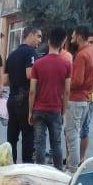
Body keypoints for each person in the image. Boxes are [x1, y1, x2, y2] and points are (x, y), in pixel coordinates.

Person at [29, 26, 71, 170]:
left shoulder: (38, 63)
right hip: (55, 109)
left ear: (48, 41)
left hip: (38, 109)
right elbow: (67, 91)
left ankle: (40, 174)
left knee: (39, 144)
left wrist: (30, 112)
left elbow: (32, 91)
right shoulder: (67, 64)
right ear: (63, 42)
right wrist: (63, 112)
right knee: (56, 144)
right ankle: (58, 172)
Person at [64, 25, 93, 172]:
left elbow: (77, 81)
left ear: (79, 36)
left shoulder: (81, 55)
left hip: (75, 99)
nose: (72, 37)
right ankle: (73, 165)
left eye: (73, 35)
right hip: (86, 98)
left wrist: (64, 85)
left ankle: (72, 169)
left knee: (72, 135)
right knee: (76, 133)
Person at [4, 24, 42, 162]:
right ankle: (26, 165)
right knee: (28, 135)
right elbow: (29, 74)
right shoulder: (31, 53)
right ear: (30, 35)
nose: (40, 40)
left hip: (12, 99)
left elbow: (5, 81)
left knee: (12, 136)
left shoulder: (11, 54)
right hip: (25, 101)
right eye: (38, 36)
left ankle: (11, 163)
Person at [80, 31, 93, 162]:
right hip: (85, 96)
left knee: (84, 128)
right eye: (88, 42)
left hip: (90, 97)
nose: (90, 44)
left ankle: (81, 157)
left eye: (92, 42)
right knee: (78, 129)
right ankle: (76, 157)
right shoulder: (89, 55)